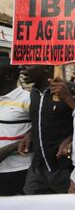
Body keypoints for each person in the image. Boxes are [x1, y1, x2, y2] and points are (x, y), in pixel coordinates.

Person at [19, 65, 75, 194]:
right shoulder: (33, 93)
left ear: (46, 68)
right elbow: (40, 120)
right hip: (37, 168)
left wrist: (71, 139)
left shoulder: (70, 90)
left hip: (64, 169)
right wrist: (30, 134)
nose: (22, 68)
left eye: (28, 64)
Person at [0, 56, 32, 196]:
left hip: (18, 172)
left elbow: (40, 129)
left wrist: (17, 144)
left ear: (8, 76)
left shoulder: (27, 99)